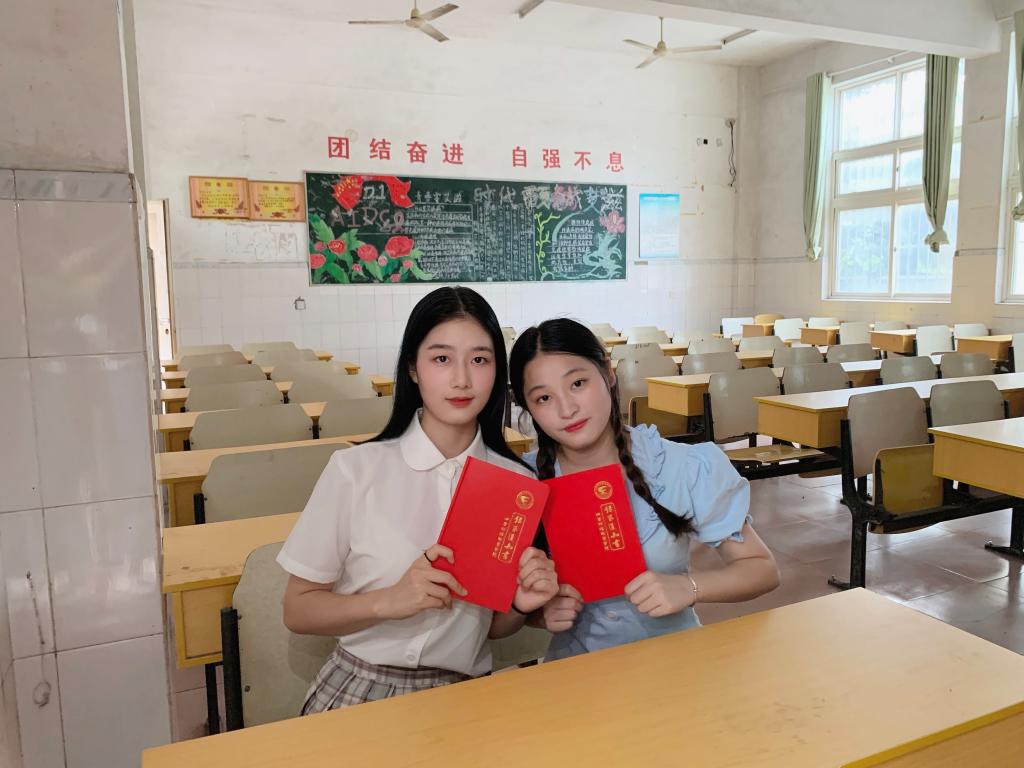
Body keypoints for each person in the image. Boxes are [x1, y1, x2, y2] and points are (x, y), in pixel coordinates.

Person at [278, 287, 558, 712]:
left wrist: (520, 604)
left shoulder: (516, 484)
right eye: (441, 359)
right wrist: (388, 600)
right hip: (362, 687)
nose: (462, 379)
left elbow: (490, 628)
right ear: (413, 368)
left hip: (466, 693)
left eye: (479, 360)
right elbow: (297, 611)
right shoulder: (355, 469)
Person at [509, 318, 779, 659]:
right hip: (577, 672)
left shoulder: (682, 466)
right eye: (544, 398)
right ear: (528, 407)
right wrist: (540, 614)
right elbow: (506, 613)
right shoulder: (524, 486)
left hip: (675, 662)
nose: (567, 409)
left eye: (578, 383)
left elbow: (762, 569)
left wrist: (689, 587)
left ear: (608, 372)